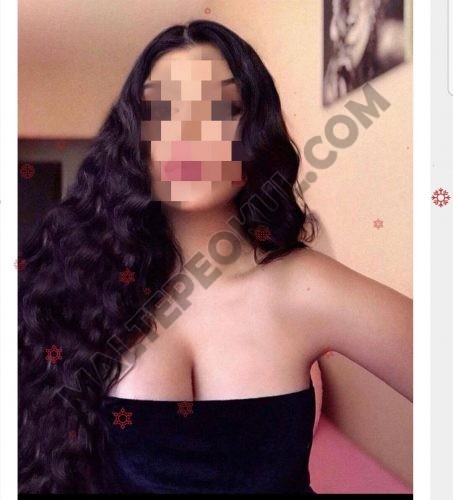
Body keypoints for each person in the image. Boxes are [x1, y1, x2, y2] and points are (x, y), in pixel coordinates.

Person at [18, 19, 412, 494]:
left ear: (257, 131)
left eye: (221, 108)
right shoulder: (83, 283)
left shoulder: (305, 286)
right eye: (161, 110)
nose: (188, 133)